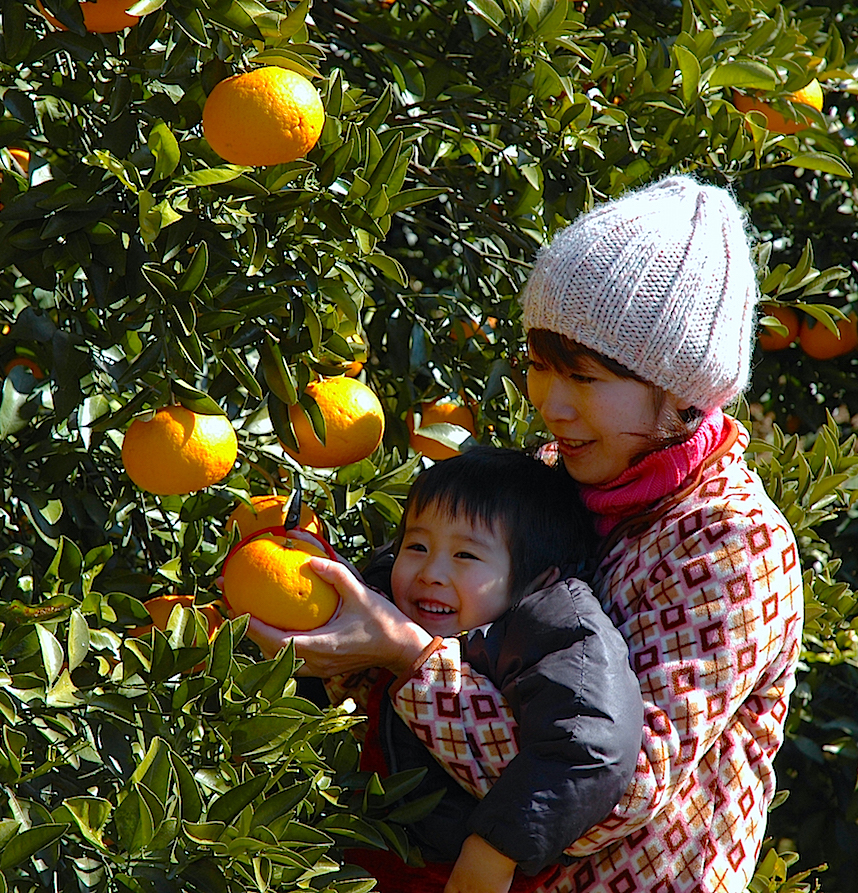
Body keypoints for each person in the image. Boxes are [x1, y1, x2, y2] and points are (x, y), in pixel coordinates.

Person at [249, 175, 804, 893]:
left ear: (682, 390)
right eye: (541, 366)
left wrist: (410, 658)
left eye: (584, 376)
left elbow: (617, 787)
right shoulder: (558, 472)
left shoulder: (730, 542)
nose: (552, 403)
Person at [320, 446, 642, 893]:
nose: (430, 572)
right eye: (416, 546)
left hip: (463, 874)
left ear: (534, 579)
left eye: (466, 556)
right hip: (374, 854)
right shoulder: (392, 602)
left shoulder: (554, 630)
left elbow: (585, 745)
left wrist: (495, 850)